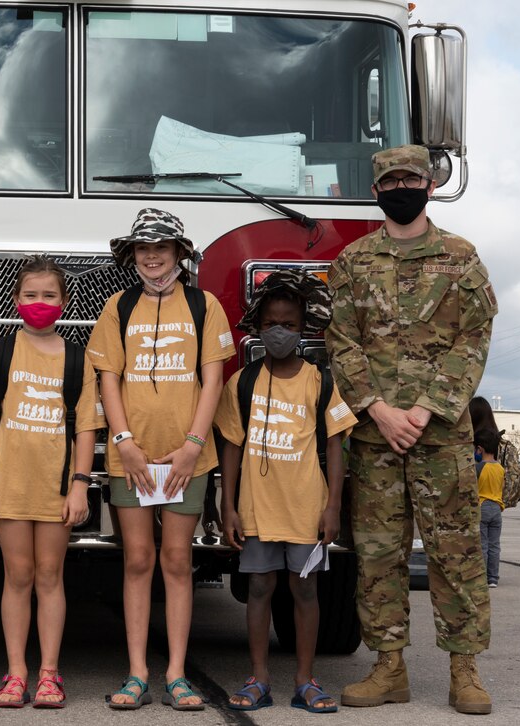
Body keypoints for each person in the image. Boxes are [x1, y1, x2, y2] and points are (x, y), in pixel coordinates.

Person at [324, 145, 498, 715]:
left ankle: (464, 670)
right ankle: (388, 668)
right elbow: (341, 342)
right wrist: (377, 408)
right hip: (376, 440)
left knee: (456, 553)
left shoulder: (460, 257)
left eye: (412, 179)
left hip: (440, 437)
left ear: (429, 186)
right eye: (391, 180)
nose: (402, 187)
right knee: (377, 556)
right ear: (376, 191)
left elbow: (474, 339)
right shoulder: (352, 262)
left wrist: (424, 410)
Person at [86, 209, 234, 711]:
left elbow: (212, 379)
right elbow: (108, 378)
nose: (152, 257)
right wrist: (122, 441)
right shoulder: (117, 306)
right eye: (143, 249)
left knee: (176, 560)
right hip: (133, 456)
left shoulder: (203, 304)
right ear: (132, 255)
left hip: (186, 458)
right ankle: (135, 675)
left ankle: (176, 675)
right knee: (138, 560)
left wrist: (194, 445)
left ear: (179, 253)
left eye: (162, 248)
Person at [0, 256, 103, 708]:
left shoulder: (78, 359)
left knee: (49, 575)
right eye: (31, 295)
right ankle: (16, 671)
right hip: (10, 486)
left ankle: (49, 674)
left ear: (64, 301)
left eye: (49, 295)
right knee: (17, 574)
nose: (40, 303)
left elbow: (85, 429)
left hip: (57, 488)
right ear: (16, 300)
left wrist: (80, 485)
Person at [217, 270, 357, 714]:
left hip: (306, 510)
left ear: (305, 328)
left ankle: (305, 679)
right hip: (257, 510)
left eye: (290, 325)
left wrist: (333, 506)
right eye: (273, 323)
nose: (281, 332)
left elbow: (335, 449)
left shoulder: (321, 381)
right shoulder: (242, 382)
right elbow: (232, 448)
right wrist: (228, 504)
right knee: (258, 588)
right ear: (259, 326)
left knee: (306, 592)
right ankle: (258, 678)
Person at [473, 427, 504, 589]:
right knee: (494, 545)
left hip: (482, 506)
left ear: (480, 449)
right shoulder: (500, 468)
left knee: (482, 544)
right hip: (497, 509)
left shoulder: (478, 468)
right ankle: (493, 578)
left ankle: (482, 576)